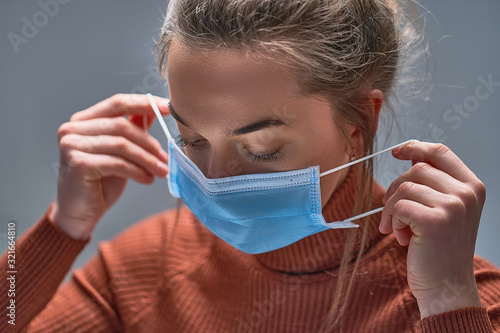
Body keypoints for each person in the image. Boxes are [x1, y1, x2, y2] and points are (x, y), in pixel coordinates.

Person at [1, 0, 500, 332]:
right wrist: (60, 230)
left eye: (260, 149)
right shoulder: (138, 273)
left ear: (357, 125)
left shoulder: (465, 300)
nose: (214, 180)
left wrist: (448, 302)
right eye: (190, 137)